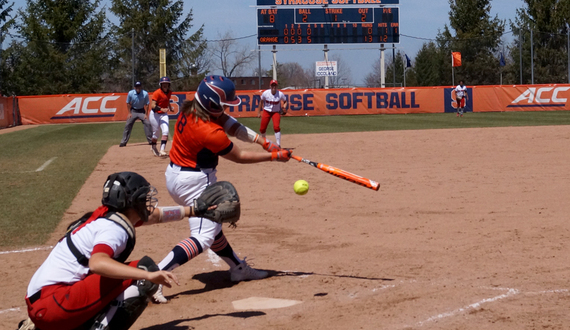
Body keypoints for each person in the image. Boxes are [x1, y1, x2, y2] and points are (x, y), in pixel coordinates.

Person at [19, 171, 221, 330]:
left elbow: (157, 216)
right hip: (53, 307)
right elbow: (97, 263)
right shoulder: (113, 229)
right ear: (131, 203)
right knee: (143, 271)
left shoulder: (105, 217)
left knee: (126, 274)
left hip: (44, 302)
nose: (146, 202)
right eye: (142, 198)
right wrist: (148, 274)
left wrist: (194, 210)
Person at [151, 75, 290, 304]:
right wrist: (274, 156)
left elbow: (231, 124)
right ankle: (155, 276)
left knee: (213, 227)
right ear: (212, 103)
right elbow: (240, 157)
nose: (225, 108)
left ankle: (237, 268)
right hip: (195, 182)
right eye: (223, 104)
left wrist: (263, 141)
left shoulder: (192, 108)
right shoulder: (208, 131)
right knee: (204, 236)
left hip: (176, 175)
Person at [120, 81, 152, 147]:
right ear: (135, 87)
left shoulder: (145, 93)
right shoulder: (130, 93)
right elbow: (128, 103)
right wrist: (129, 113)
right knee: (128, 124)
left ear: (141, 87)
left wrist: (146, 114)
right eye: (137, 87)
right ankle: (123, 142)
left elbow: (147, 104)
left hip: (141, 111)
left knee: (147, 123)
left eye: (139, 86)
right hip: (133, 111)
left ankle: (151, 140)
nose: (138, 88)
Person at [258, 79, 288, 147]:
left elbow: (285, 101)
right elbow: (261, 101)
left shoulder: (280, 94)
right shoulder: (265, 93)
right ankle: (264, 141)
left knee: (276, 127)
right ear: (270, 86)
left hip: (276, 112)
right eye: (272, 85)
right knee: (262, 129)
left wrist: (284, 107)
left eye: (275, 85)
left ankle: (278, 144)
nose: (273, 87)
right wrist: (259, 112)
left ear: (277, 86)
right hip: (267, 111)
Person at [150, 76, 173, 157]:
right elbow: (153, 105)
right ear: (160, 84)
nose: (165, 85)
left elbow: (167, 100)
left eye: (166, 84)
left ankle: (162, 149)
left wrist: (170, 108)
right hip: (155, 114)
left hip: (163, 114)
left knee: (165, 131)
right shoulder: (157, 92)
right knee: (156, 134)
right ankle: (153, 146)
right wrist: (161, 109)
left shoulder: (169, 92)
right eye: (163, 84)